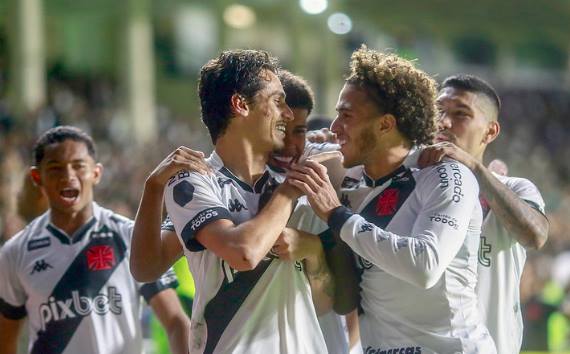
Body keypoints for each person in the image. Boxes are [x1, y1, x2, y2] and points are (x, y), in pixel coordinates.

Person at [287, 46, 496, 353]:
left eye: (346, 115)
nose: (334, 127)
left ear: (385, 124)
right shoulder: (351, 181)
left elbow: (425, 265)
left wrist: (337, 215)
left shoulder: (445, 175)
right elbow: (272, 156)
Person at [129, 50, 332, 353]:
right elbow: (243, 252)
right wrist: (153, 187)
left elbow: (329, 301)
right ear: (240, 105)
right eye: (277, 101)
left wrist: (314, 251)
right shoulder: (196, 181)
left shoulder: (297, 179)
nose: (288, 114)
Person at [0, 126, 190, 354]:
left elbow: (176, 322)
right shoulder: (15, 252)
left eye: (78, 166)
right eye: (55, 168)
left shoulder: (129, 236)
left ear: (97, 173)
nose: (68, 176)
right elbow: (5, 339)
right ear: (37, 177)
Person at [418, 74, 549, 354]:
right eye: (439, 110)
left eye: (460, 114)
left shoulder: (514, 188)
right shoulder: (414, 186)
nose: (443, 122)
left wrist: (476, 170)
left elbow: (536, 235)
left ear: (490, 131)